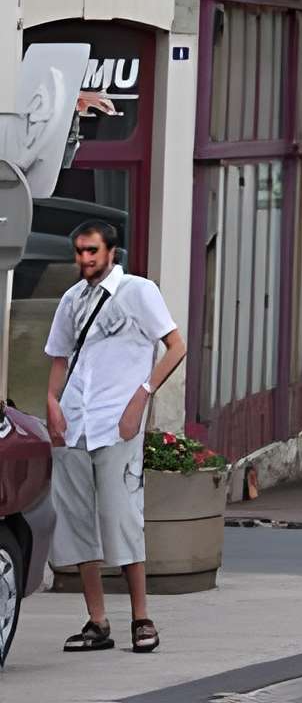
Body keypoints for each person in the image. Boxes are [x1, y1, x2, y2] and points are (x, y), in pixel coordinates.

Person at [44, 217, 186, 655]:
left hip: (116, 422)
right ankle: (97, 621)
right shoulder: (71, 299)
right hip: (74, 423)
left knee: (123, 517)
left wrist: (141, 398)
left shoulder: (139, 292)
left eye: (92, 251)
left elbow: (176, 346)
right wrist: (51, 403)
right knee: (78, 520)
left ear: (112, 252)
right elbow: (59, 357)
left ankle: (142, 618)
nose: (84, 259)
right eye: (80, 251)